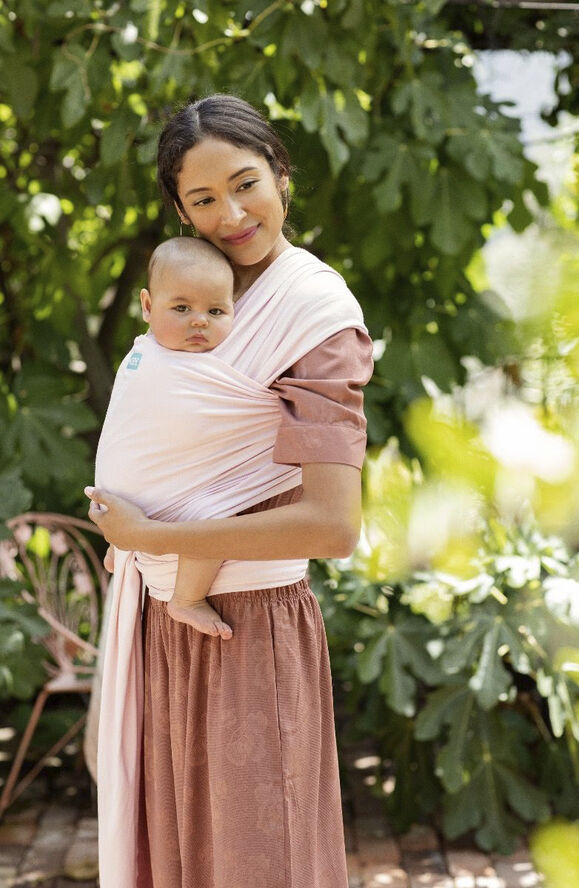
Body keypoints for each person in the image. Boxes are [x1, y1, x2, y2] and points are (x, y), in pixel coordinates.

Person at [86, 93, 374, 888]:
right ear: (179, 212)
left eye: (246, 183)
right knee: (179, 861)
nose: (233, 213)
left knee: (259, 860)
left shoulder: (311, 317)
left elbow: (331, 525)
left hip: (243, 628)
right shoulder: (193, 300)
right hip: (161, 622)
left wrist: (154, 537)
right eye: (203, 199)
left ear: (282, 176)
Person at [100, 236, 236, 640]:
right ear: (146, 306)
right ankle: (187, 598)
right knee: (217, 520)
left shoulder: (142, 352)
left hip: (123, 491)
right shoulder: (169, 359)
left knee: (213, 517)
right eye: (182, 308)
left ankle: (120, 546)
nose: (199, 321)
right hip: (142, 490)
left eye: (216, 311)